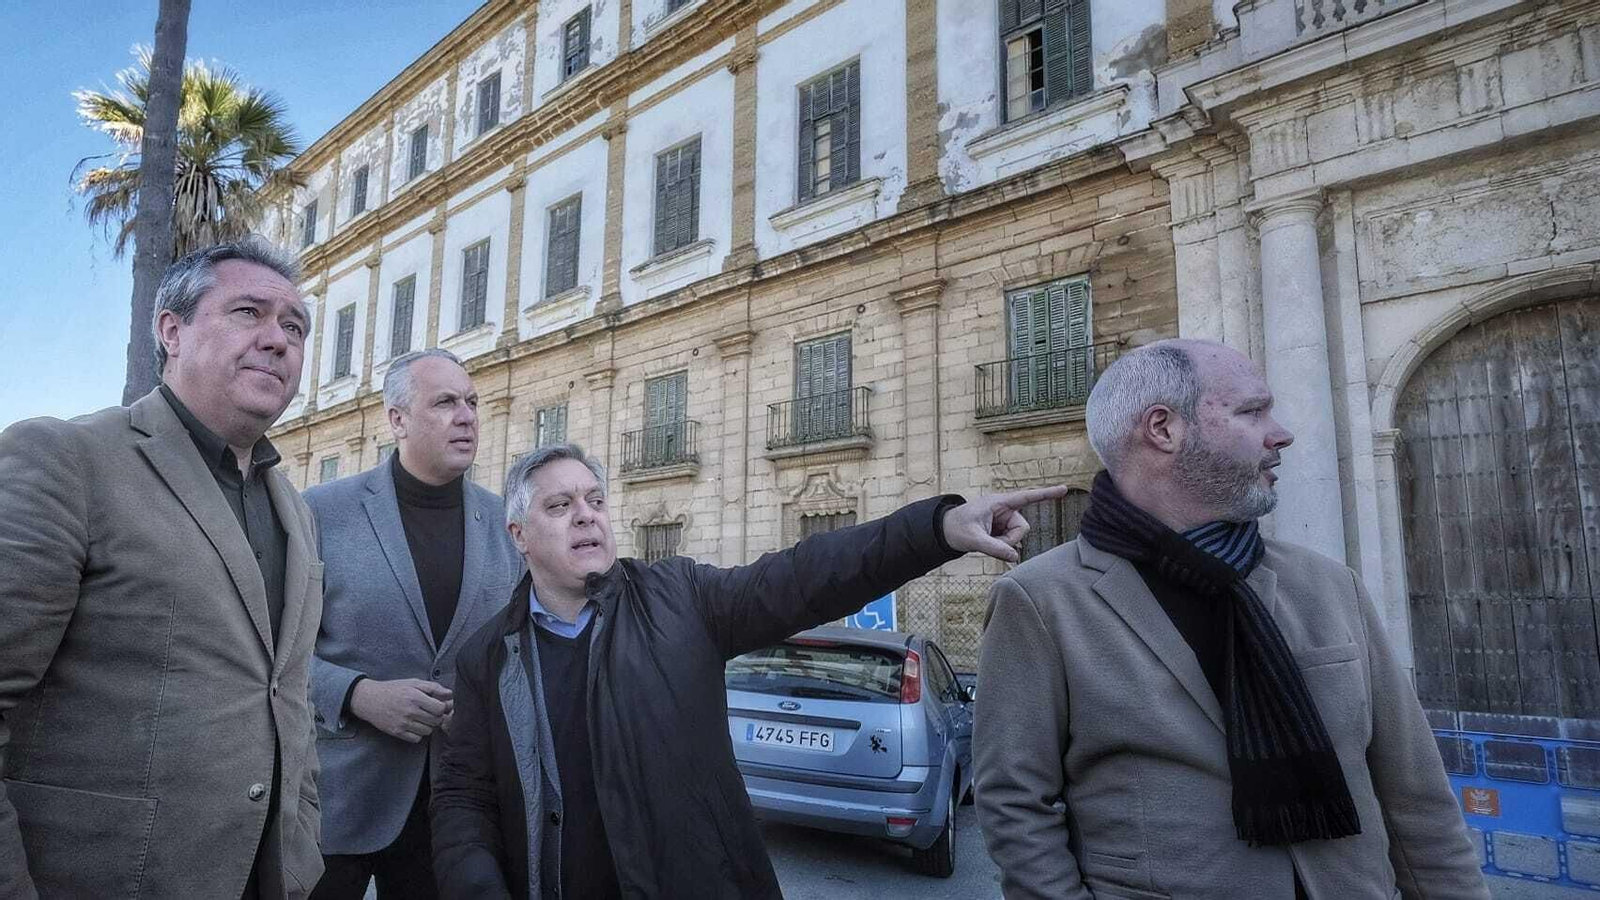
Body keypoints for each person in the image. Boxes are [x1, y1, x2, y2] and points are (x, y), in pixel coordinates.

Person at [431, 443, 1064, 899]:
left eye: (595, 499)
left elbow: (805, 575)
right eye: (560, 505)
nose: (587, 515)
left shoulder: (680, 598)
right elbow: (464, 797)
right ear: (519, 533)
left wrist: (937, 529)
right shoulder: (488, 655)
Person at [974, 339, 1488, 900]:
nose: (1282, 433)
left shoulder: (1327, 584)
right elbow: (1015, 802)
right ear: (1164, 430)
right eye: (1252, 411)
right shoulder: (1042, 599)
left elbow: (1414, 791)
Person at [0, 239, 325, 899]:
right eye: (248, 313)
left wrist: (301, 842)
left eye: (294, 326)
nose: (278, 339)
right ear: (171, 331)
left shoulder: (297, 509)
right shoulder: (68, 458)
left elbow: (285, 695)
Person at [304, 348, 522, 899]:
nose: (467, 415)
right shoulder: (321, 511)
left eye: (472, 402)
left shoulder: (504, 523)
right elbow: (269, 651)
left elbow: (520, 648)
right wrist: (357, 694)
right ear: (396, 420)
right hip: (337, 803)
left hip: (455, 807)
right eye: (445, 402)